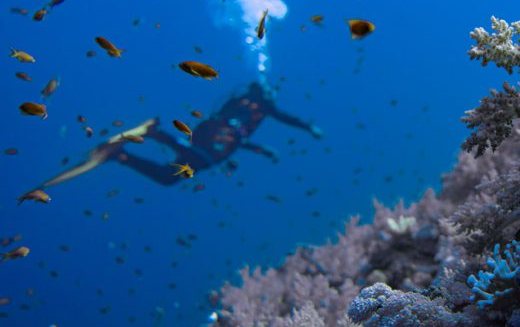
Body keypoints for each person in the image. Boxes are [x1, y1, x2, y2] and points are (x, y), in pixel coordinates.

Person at [41, 82, 323, 187]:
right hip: (212, 147)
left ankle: (127, 152)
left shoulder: (241, 102)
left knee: (171, 171)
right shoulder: (262, 106)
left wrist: (259, 150)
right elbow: (284, 118)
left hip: (205, 140)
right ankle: (148, 137)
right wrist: (309, 127)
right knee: (179, 169)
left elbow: (231, 131)